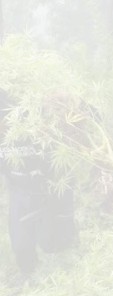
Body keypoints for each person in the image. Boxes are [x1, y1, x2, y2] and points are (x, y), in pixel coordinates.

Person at [0, 89, 78, 276]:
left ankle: (70, 267)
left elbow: (64, 162)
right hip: (19, 192)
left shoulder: (36, 123)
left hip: (48, 190)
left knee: (53, 244)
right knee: (21, 247)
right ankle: (30, 280)